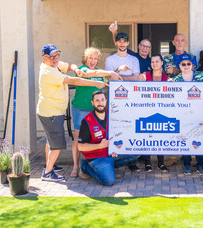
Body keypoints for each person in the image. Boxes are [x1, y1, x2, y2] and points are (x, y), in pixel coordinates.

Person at [37, 44, 108, 181]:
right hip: (52, 112)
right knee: (56, 144)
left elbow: (69, 65)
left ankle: (49, 165)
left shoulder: (55, 65)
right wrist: (93, 82)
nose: (55, 58)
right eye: (51, 57)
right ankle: (48, 172)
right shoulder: (48, 72)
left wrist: (74, 68)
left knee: (51, 141)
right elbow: (72, 80)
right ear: (44, 58)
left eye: (56, 55)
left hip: (53, 110)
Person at [70, 47, 122, 177]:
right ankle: (76, 166)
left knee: (97, 136)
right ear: (85, 59)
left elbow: (108, 80)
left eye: (95, 59)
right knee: (78, 138)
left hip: (97, 110)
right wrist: (109, 72)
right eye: (90, 58)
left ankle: (91, 161)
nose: (93, 61)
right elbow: (89, 74)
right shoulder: (82, 70)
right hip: (81, 108)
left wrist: (118, 72)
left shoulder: (100, 72)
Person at [78, 91, 140, 185]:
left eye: (102, 100)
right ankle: (86, 167)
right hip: (97, 157)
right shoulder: (87, 121)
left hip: (111, 153)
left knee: (137, 151)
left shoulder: (112, 113)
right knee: (109, 181)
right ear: (92, 102)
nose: (100, 103)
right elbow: (81, 147)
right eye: (97, 100)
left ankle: (108, 168)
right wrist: (99, 146)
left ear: (106, 101)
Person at [105, 32, 141, 172]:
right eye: (119, 41)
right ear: (116, 43)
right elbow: (109, 79)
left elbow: (136, 78)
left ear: (128, 43)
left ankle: (131, 161)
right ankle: (115, 157)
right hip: (115, 99)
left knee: (131, 127)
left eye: (124, 41)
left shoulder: (134, 59)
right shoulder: (110, 59)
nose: (121, 43)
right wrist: (119, 71)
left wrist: (118, 76)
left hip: (132, 99)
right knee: (116, 127)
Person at [171, 54, 203, 175]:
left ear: (193, 65)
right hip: (182, 114)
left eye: (189, 64)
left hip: (199, 112)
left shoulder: (200, 76)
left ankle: (200, 165)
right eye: (183, 64)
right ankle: (186, 164)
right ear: (179, 65)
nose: (186, 66)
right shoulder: (175, 79)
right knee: (184, 138)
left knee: (199, 138)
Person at [138, 54, 169, 172]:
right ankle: (147, 162)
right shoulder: (145, 75)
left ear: (162, 63)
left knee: (160, 135)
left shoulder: (166, 78)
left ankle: (160, 162)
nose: (154, 64)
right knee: (147, 135)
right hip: (146, 109)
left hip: (161, 110)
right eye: (152, 62)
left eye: (157, 61)